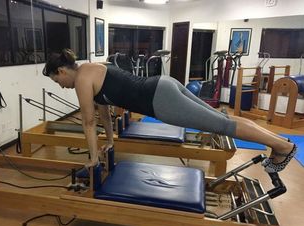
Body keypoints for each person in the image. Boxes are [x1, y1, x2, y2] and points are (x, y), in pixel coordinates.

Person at [43, 49, 297, 173]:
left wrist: (92, 159)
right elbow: (104, 114)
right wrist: (109, 141)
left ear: (63, 71)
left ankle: (283, 147)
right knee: (224, 119)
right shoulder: (91, 68)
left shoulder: (81, 81)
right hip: (163, 85)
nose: (61, 86)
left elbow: (88, 122)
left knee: (223, 126)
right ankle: (279, 143)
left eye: (57, 81)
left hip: (160, 100)